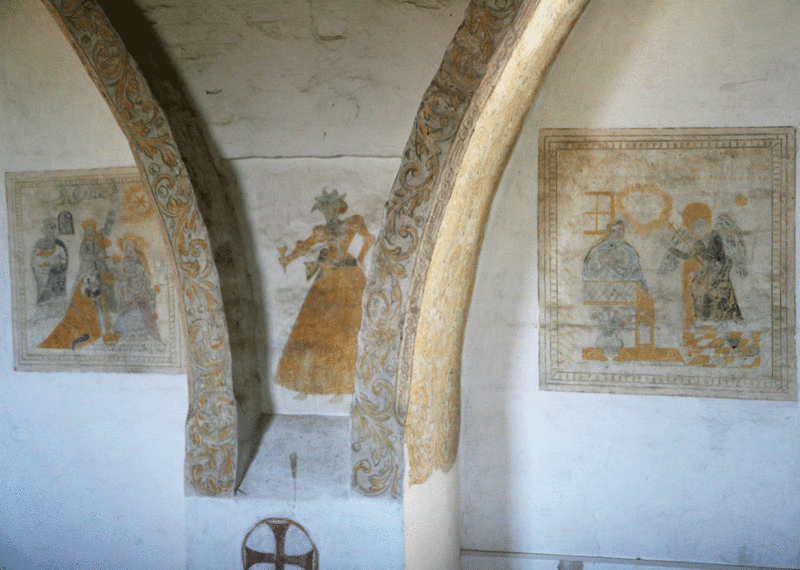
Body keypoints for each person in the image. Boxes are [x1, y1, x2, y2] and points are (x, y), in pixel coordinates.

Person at [276, 189, 376, 397]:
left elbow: (369, 239)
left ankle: (342, 387)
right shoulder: (322, 230)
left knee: (344, 330)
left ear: (338, 208)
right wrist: (288, 258)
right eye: (324, 210)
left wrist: (360, 258)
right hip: (327, 277)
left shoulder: (352, 222)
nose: (328, 213)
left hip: (348, 277)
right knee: (313, 329)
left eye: (330, 209)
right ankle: (306, 385)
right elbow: (306, 246)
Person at [39, 212, 116, 349]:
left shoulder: (98, 237)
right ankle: (90, 327)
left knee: (104, 299)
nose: (89, 232)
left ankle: (106, 325)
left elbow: (106, 231)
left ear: (93, 230)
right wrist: (92, 261)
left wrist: (109, 220)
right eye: (87, 230)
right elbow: (84, 258)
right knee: (87, 301)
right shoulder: (85, 243)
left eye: (91, 230)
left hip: (100, 272)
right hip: (89, 276)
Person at [666, 202, 744, 325]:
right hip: (708, 270)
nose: (699, 229)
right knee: (696, 285)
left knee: (717, 288)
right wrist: (672, 250)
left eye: (702, 226)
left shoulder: (715, 236)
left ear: (707, 225)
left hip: (719, 268)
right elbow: (687, 255)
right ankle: (704, 315)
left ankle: (724, 316)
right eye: (696, 228)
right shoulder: (698, 243)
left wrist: (712, 263)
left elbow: (720, 255)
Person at [113, 235, 161, 340]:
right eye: (126, 248)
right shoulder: (125, 261)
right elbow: (123, 275)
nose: (128, 250)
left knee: (142, 308)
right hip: (130, 286)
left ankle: (148, 332)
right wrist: (125, 277)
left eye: (130, 247)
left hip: (140, 286)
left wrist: (136, 275)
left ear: (134, 247)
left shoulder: (140, 258)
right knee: (122, 288)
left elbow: (145, 272)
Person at [582, 220, 648, 291]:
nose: (618, 232)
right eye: (614, 230)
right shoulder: (600, 248)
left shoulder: (629, 250)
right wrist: (606, 261)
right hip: (603, 287)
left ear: (623, 230)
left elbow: (635, 272)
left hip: (625, 288)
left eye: (620, 229)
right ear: (609, 232)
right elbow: (590, 270)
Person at [30, 218, 68, 305]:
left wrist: (58, 262)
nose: (51, 234)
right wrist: (43, 265)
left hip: (55, 275)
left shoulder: (59, 247)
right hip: (42, 274)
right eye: (49, 232)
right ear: (45, 233)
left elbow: (64, 261)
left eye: (53, 232)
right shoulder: (39, 245)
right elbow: (34, 261)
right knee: (43, 296)